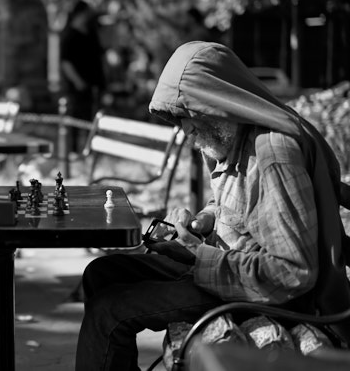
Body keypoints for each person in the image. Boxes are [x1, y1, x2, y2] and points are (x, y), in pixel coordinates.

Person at [75, 41, 350, 370]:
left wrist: (197, 255)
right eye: (178, 121)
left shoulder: (273, 157)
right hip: (224, 267)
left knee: (110, 311)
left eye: (188, 116)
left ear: (218, 101)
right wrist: (205, 219)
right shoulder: (229, 137)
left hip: (267, 296)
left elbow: (293, 273)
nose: (186, 131)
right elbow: (236, 204)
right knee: (101, 273)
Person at [60, 0, 105, 153]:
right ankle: (74, 151)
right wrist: (78, 82)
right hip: (77, 87)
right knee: (76, 119)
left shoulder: (91, 33)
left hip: (95, 84)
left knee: (93, 118)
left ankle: (90, 149)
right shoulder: (70, 35)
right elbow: (65, 62)